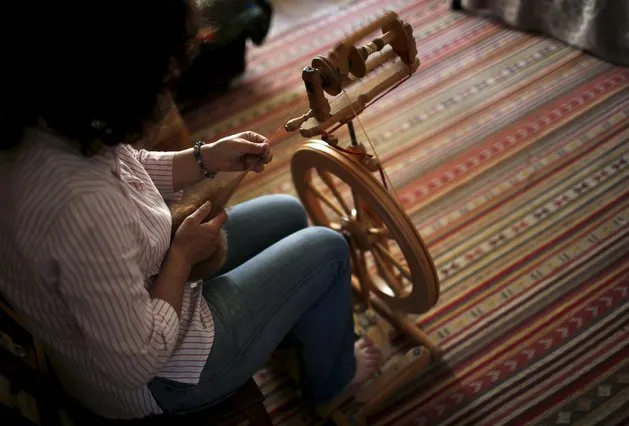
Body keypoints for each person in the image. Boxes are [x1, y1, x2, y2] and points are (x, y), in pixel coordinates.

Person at [0, 0, 382, 420]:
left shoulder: (50, 124)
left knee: (287, 213)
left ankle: (292, 335)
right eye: (160, 84)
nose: (165, 96)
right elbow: (135, 362)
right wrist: (180, 257)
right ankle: (332, 383)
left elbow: (128, 167)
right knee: (327, 250)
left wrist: (207, 158)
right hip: (162, 379)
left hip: (147, 285)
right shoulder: (81, 207)